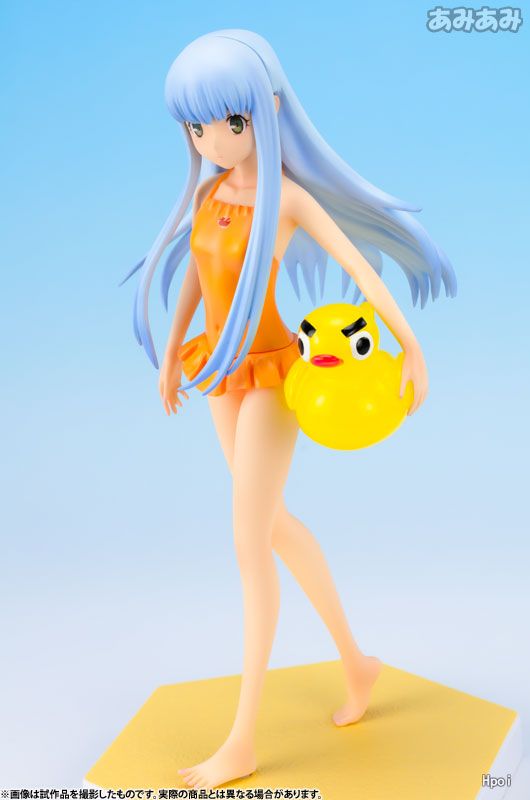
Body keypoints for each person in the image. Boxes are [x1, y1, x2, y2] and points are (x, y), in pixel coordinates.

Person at [121, 28, 457, 790]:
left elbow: (359, 271)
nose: (211, 140)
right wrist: (172, 353)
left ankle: (241, 740)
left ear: (266, 112)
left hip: (273, 380)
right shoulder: (209, 194)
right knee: (271, 524)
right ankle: (358, 664)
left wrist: (410, 345)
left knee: (248, 544)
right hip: (220, 373)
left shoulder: (290, 200)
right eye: (196, 127)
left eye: (229, 122)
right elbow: (194, 276)